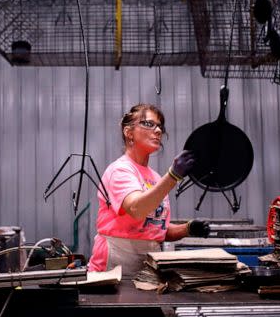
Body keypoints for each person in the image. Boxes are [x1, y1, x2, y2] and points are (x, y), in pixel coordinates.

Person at [88, 103, 211, 276]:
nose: (158, 130)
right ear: (129, 132)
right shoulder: (120, 170)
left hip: (148, 262)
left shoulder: (155, 178)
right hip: (114, 265)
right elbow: (137, 209)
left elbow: (154, 229)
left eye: (160, 126)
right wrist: (173, 176)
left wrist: (188, 229)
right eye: (149, 124)